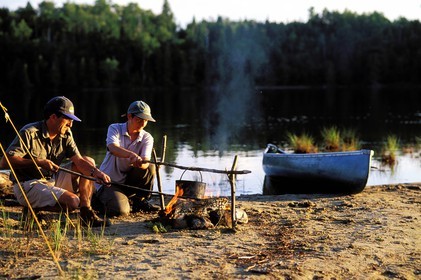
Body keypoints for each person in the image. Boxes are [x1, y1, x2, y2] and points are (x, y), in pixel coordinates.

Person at [0, 96, 111, 227]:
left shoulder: (66, 134)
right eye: (68, 119)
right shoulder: (29, 132)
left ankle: (86, 213)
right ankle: (32, 210)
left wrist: (96, 173)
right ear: (53, 117)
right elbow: (5, 162)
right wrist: (39, 162)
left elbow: (79, 161)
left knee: (89, 161)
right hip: (28, 184)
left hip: (51, 179)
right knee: (73, 202)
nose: (71, 124)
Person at [93, 100, 159, 217]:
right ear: (129, 116)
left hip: (128, 181)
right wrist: (130, 155)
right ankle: (100, 200)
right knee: (121, 211)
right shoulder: (115, 128)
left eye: (145, 121)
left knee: (150, 167)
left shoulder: (147, 137)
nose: (142, 124)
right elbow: (112, 147)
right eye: (139, 120)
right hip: (108, 182)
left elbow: (145, 162)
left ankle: (139, 200)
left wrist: (140, 163)